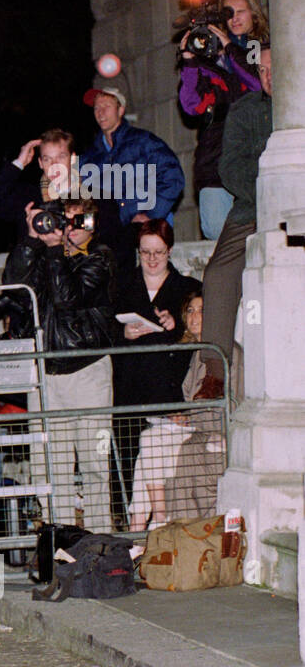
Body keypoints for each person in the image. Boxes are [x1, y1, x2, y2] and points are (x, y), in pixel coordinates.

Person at [2, 193, 117, 531]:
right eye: (61, 219)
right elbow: (14, 287)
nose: (66, 229)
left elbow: (68, 298)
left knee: (95, 464)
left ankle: (99, 541)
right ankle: (58, 543)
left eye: (75, 221)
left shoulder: (100, 256)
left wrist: (55, 250)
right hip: (46, 374)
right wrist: (30, 240)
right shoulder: (44, 254)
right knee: (49, 466)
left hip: (87, 371)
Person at [111, 219, 201, 511]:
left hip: (169, 392)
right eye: (145, 252)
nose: (151, 259)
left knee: (164, 469)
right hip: (130, 391)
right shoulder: (121, 285)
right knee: (128, 463)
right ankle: (127, 525)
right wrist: (123, 333)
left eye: (158, 252)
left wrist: (176, 326)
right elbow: (102, 331)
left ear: (170, 251)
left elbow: (199, 332)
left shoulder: (188, 288)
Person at [201, 44, 273, 402]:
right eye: (262, 71)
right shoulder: (245, 111)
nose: (269, 77)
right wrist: (267, 188)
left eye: (276, 69)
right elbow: (230, 167)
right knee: (217, 276)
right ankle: (214, 373)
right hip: (253, 208)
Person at [177, 0, 269, 240]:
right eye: (229, 14)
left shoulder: (262, 49)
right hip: (215, 161)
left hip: (253, 158)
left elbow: (258, 84)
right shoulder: (210, 60)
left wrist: (230, 49)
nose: (235, 18)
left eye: (241, 11)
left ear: (254, 14)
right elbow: (191, 105)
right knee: (217, 232)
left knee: (258, 236)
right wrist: (189, 61)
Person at [128, 291, 213, 529]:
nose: (195, 317)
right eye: (191, 311)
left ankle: (154, 518)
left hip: (203, 427)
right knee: (148, 449)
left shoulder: (213, 351)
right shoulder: (186, 349)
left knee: (150, 441)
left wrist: (187, 415)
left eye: (202, 311)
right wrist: (176, 413)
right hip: (182, 422)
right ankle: (140, 525)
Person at [78, 85, 185, 274]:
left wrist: (152, 214)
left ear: (120, 110)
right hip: (109, 233)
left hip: (142, 228)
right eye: (96, 107)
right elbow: (83, 199)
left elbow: (173, 177)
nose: (100, 112)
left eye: (106, 106)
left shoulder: (144, 142)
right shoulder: (90, 156)